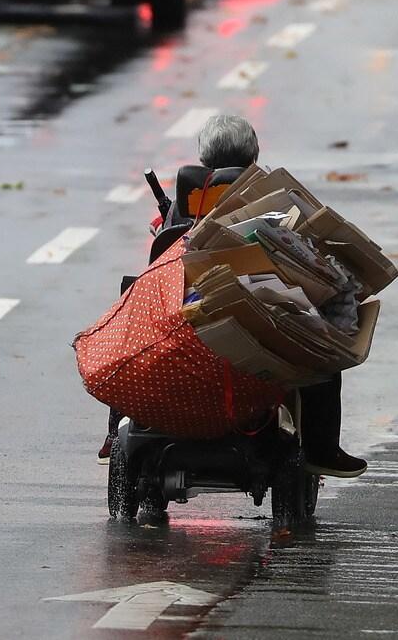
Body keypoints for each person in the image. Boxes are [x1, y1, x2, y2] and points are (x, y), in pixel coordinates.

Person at [100, 114, 367, 478]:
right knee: (322, 351)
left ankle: (112, 430)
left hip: (184, 331)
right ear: (254, 155)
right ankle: (322, 449)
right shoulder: (275, 197)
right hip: (258, 332)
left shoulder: (184, 206)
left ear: (203, 157)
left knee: (131, 328)